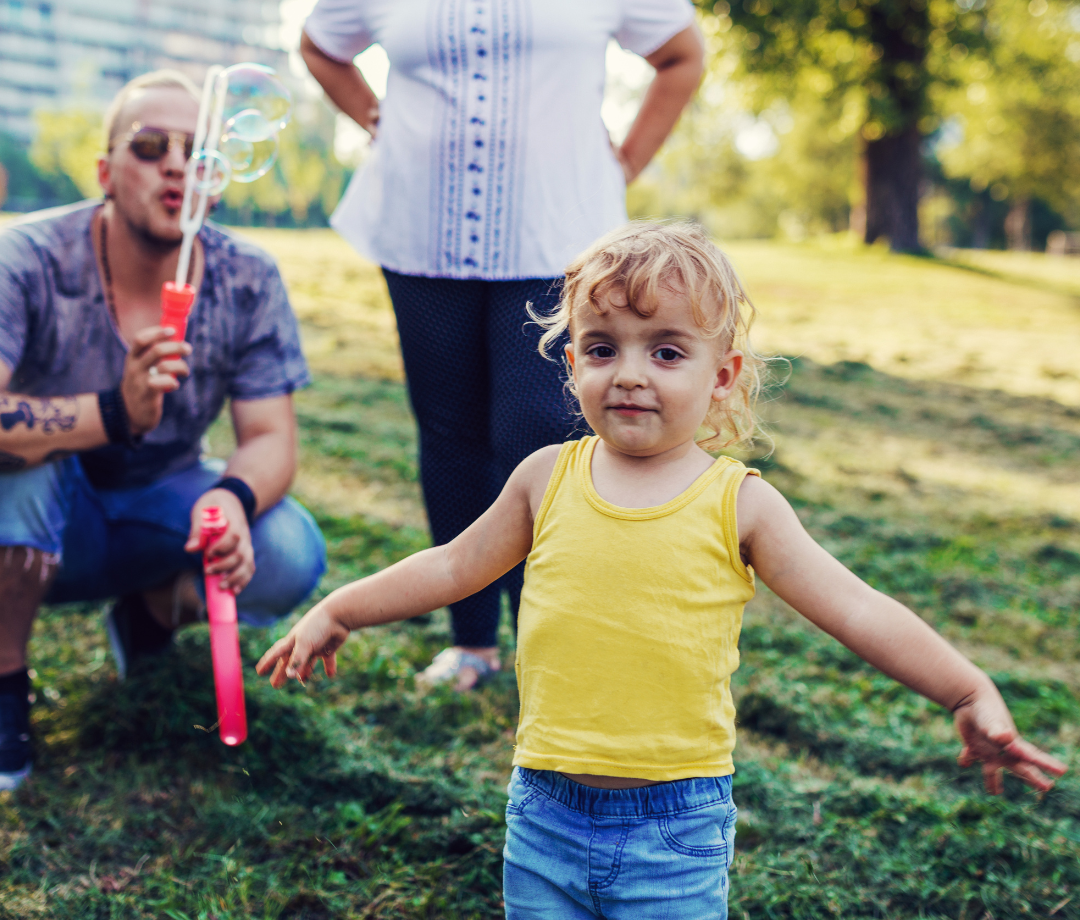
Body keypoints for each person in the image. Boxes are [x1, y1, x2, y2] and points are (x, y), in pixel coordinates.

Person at [257, 221, 1066, 918]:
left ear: (721, 378)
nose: (632, 373)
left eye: (667, 351)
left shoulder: (740, 505)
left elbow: (855, 609)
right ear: (572, 364)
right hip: (543, 812)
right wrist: (343, 609)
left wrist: (965, 689)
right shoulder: (546, 478)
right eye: (604, 348)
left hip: (675, 828)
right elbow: (453, 565)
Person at [301, 0, 704, 690]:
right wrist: (378, 119)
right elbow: (321, 44)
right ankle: (472, 642)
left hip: (555, 242)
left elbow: (680, 54)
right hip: (421, 238)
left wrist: (621, 164)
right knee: (448, 432)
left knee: (534, 434)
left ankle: (544, 640)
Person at [0, 70, 326, 791]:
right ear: (105, 170)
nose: (176, 163)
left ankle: (146, 616)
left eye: (197, 150)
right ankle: (5, 681)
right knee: (17, 473)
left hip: (163, 502)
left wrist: (233, 502)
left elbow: (270, 434)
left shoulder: (247, 276)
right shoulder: (27, 258)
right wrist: (116, 412)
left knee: (285, 550)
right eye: (150, 145)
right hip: (41, 514)